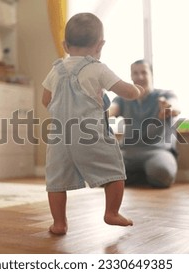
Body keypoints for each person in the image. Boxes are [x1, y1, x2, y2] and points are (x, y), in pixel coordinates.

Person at [42, 13, 144, 235]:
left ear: (65, 45)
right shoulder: (98, 68)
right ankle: (112, 213)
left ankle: (59, 223)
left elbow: (45, 100)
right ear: (100, 45)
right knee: (115, 170)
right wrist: (137, 90)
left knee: (56, 182)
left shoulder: (55, 70)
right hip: (90, 135)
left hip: (59, 138)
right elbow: (126, 91)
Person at [109, 60, 180, 189]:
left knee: (163, 174)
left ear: (151, 75)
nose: (139, 77)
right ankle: (141, 176)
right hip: (128, 153)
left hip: (157, 151)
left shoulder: (166, 95)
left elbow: (175, 108)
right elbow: (110, 110)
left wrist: (167, 108)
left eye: (143, 72)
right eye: (135, 73)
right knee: (103, 173)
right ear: (131, 76)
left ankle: (132, 177)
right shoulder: (122, 99)